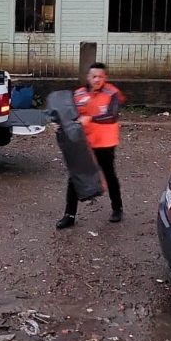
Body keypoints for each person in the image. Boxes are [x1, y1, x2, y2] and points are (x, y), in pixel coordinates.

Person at [55, 62, 125, 229]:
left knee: (109, 175)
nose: (97, 79)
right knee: (75, 177)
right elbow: (69, 115)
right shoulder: (78, 94)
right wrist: (60, 124)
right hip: (83, 143)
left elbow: (112, 115)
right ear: (88, 78)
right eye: (94, 76)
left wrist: (91, 119)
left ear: (105, 78)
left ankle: (117, 208)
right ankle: (69, 215)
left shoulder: (112, 93)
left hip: (105, 143)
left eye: (100, 76)